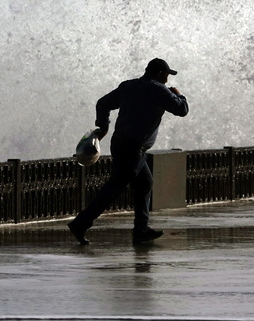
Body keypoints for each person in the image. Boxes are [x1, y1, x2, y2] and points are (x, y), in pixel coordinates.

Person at [68, 58, 189, 246]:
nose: (167, 80)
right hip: (134, 149)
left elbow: (102, 103)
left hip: (121, 143)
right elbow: (182, 110)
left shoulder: (128, 86)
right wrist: (179, 95)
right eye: (166, 75)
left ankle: (141, 229)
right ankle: (80, 223)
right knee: (114, 187)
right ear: (159, 74)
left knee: (144, 183)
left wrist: (103, 127)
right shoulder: (160, 90)